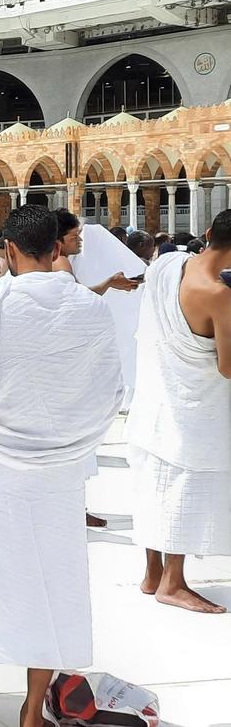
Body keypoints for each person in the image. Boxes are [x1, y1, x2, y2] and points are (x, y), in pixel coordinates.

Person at [0, 206, 124, 727]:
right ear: (56, 248)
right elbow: (110, 392)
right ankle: (33, 713)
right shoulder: (90, 307)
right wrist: (67, 439)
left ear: (9, 251)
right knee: (52, 587)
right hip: (60, 475)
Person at [127, 209, 231, 614]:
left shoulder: (168, 264)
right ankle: (173, 581)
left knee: (156, 486)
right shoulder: (219, 295)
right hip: (192, 408)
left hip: (155, 397)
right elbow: (226, 366)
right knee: (182, 492)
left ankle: (152, 573)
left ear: (207, 234)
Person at [53, 208, 141, 295]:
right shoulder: (60, 261)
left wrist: (110, 283)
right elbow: (79, 297)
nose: (80, 239)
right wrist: (110, 283)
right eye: (74, 237)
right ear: (58, 241)